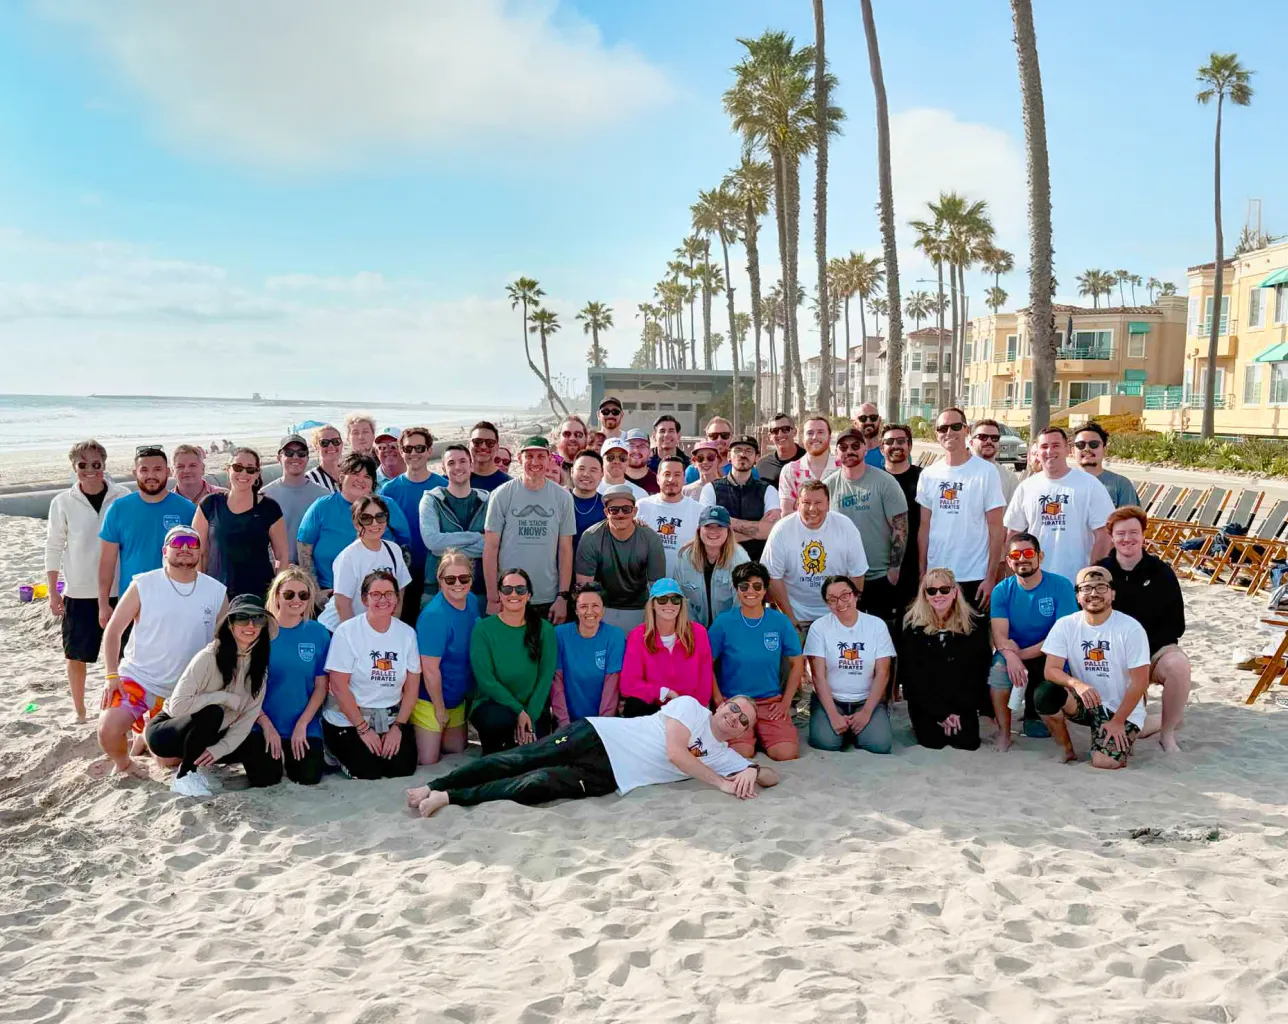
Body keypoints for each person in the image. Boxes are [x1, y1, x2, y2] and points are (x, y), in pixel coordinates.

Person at [405, 695, 776, 817]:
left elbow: (773, 777)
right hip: (598, 735)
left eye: (743, 719)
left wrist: (753, 770)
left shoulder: (725, 755)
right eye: (732, 707)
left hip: (610, 778)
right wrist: (723, 785)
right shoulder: (691, 708)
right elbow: (676, 754)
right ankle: (434, 784)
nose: (734, 716)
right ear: (720, 704)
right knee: (520, 760)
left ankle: (448, 797)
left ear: (744, 731)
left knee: (533, 787)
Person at [97, 526, 228, 776]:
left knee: (169, 761)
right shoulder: (144, 584)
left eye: (192, 543)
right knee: (108, 731)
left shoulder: (216, 591)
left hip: (184, 688)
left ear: (200, 551)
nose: (185, 548)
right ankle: (125, 763)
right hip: (138, 678)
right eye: (178, 543)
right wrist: (111, 675)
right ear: (165, 550)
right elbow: (113, 631)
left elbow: (223, 644)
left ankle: (146, 734)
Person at [143, 594, 274, 796]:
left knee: (267, 770)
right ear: (230, 623)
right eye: (242, 617)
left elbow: (247, 718)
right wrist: (223, 697)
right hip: (168, 729)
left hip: (210, 733)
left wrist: (218, 750)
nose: (250, 624)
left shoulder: (258, 667)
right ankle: (185, 774)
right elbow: (178, 706)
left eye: (257, 618)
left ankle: (201, 764)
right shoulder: (208, 657)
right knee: (213, 712)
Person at [46, 439, 129, 720]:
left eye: (97, 464)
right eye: (83, 465)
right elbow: (54, 546)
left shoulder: (122, 496)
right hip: (78, 591)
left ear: (105, 465)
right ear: (74, 467)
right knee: (76, 655)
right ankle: (80, 712)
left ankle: (121, 710)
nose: (90, 470)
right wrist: (53, 591)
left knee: (123, 656)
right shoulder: (62, 502)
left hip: (120, 588)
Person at [1037, 566, 1151, 768]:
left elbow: (1140, 682)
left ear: (1113, 593)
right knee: (1045, 694)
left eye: (1101, 587)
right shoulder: (1066, 625)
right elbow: (1051, 670)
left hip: (1121, 708)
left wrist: (1117, 722)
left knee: (1104, 762)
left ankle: (1148, 724)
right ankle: (1066, 749)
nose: (1093, 594)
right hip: (1087, 703)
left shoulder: (1130, 628)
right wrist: (1076, 684)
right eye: (1086, 589)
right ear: (1078, 596)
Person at [1098, 506, 1190, 752]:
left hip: (1153, 649)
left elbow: (1175, 624)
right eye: (1121, 534)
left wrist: (1143, 655)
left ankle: (1167, 734)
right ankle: (1156, 720)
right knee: (1129, 731)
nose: (1127, 539)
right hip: (1114, 655)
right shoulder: (1101, 571)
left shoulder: (1161, 572)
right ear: (1112, 537)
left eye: (1133, 532)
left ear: (1143, 536)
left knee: (1178, 665)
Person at [322, 568, 420, 778]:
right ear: (365, 599)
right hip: (350, 719)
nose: (382, 600)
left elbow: (412, 687)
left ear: (396, 598)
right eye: (375, 594)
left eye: (389, 594)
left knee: (402, 769)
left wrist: (398, 728)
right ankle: (333, 749)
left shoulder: (407, 634)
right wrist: (363, 729)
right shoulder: (347, 632)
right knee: (368, 771)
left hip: (390, 717)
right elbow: (338, 686)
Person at [987, 533, 1078, 750]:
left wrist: (1020, 656)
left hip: (1050, 656)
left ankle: (1036, 715)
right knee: (998, 667)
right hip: (1015, 655)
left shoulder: (1061, 586)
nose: (1022, 559)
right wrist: (1010, 656)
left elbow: (1062, 635)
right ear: (1008, 561)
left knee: (1039, 730)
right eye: (1015, 555)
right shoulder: (1002, 590)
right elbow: (999, 635)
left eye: (1028, 553)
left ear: (1040, 556)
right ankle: (1004, 732)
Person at [708, 562, 803, 761]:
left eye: (757, 586)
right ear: (737, 589)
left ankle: (762, 733)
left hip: (769, 701)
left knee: (786, 753)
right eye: (744, 586)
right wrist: (718, 699)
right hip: (735, 703)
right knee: (742, 753)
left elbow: (797, 663)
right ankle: (750, 736)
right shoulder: (724, 622)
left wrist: (786, 703)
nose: (750, 591)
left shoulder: (780, 621)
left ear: (765, 589)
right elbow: (706, 662)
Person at [97, 445, 197, 629]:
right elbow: (106, 561)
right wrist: (103, 604)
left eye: (158, 469)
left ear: (168, 471)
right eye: (144, 470)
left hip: (176, 600)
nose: (151, 475)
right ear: (135, 472)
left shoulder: (187, 509)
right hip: (133, 603)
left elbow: (199, 556)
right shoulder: (119, 509)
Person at [916, 407, 1005, 608]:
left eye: (956, 426)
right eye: (943, 428)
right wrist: (923, 573)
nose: (949, 432)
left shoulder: (986, 472)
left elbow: (996, 529)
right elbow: (924, 527)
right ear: (936, 433)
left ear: (966, 430)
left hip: (974, 575)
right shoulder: (929, 475)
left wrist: (991, 577)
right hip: (937, 578)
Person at [297, 452, 410, 610]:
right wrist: (316, 593)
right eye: (355, 473)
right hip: (331, 597)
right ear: (342, 478)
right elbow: (304, 551)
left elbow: (404, 548)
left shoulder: (387, 506)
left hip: (380, 599)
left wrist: (395, 589)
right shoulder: (322, 507)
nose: (360, 480)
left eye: (367, 476)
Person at [483, 436, 576, 622]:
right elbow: (490, 548)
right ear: (519, 458)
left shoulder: (563, 497)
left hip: (547, 597)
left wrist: (562, 597)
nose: (535, 462)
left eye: (541, 456)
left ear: (549, 458)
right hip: (509, 594)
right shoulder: (501, 495)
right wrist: (493, 597)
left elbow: (565, 550)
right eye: (529, 456)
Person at [898, 567, 991, 751]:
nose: (938, 595)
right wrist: (940, 714)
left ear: (955, 592)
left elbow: (978, 673)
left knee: (968, 743)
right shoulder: (912, 627)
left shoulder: (973, 625)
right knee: (933, 742)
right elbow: (912, 677)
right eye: (931, 591)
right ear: (924, 595)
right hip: (927, 702)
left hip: (961, 702)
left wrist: (957, 711)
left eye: (944, 589)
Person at [1004, 426, 1113, 583]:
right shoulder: (1027, 487)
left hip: (1076, 581)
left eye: (1056, 445)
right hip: (1035, 580)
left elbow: (1103, 534)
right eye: (1044, 446)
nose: (1049, 451)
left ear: (1067, 449)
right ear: (1037, 451)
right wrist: (1013, 579)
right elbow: (1013, 534)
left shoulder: (1089, 484)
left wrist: (1091, 576)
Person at [764, 479, 868, 644]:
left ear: (828, 504)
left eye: (818, 502)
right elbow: (773, 577)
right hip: (795, 614)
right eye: (806, 502)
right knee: (793, 668)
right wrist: (790, 619)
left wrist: (845, 613)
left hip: (835, 614)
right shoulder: (782, 530)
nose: (812, 508)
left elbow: (857, 574)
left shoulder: (845, 526)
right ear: (797, 504)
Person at [824, 427, 908, 629]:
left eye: (855, 446)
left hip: (879, 576)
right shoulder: (828, 486)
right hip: (843, 579)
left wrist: (894, 570)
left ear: (865, 448)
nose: (849, 451)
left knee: (883, 637)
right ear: (836, 452)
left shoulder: (885, 482)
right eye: (843, 447)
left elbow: (900, 528)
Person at [253, 568, 330, 786]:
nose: (296, 600)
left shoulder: (318, 633)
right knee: (265, 779)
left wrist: (303, 724)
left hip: (303, 723)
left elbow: (321, 686)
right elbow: (247, 688)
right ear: (276, 595)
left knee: (308, 777)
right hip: (263, 723)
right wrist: (266, 725)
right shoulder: (259, 632)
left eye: (303, 595)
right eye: (289, 594)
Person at [804, 575, 898, 754]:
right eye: (832, 599)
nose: (840, 603)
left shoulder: (876, 625)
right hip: (832, 700)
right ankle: (841, 727)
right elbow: (818, 676)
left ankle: (860, 726)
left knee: (879, 744)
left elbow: (883, 672)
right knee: (826, 742)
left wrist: (866, 712)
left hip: (865, 699)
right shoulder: (819, 628)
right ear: (827, 603)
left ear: (856, 596)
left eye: (845, 595)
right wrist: (832, 715)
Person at [470, 567, 557, 754]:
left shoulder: (545, 630)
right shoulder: (483, 629)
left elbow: (545, 677)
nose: (513, 594)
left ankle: (515, 742)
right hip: (495, 706)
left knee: (536, 752)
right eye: (507, 589)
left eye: (520, 589)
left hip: (533, 707)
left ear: (529, 595)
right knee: (499, 721)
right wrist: (518, 711)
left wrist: (529, 717)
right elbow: (486, 680)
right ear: (500, 594)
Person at [192, 447, 287, 600]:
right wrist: (199, 589)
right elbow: (197, 552)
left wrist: (277, 592)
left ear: (257, 474)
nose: (243, 473)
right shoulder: (210, 504)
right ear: (228, 470)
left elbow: (282, 556)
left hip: (259, 595)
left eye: (250, 469)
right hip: (216, 594)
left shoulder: (270, 508)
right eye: (237, 467)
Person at [413, 550, 480, 765]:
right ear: (440, 580)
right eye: (450, 579)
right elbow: (430, 670)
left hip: (457, 696)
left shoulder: (471, 601)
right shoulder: (434, 616)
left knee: (456, 749)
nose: (457, 584)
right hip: (430, 698)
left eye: (464, 578)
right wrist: (440, 709)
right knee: (429, 759)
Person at [575, 484, 667, 632]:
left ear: (634, 511)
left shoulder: (650, 538)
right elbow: (584, 589)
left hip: (640, 607)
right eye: (614, 509)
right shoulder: (591, 537)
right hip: (603, 607)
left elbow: (657, 587)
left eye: (626, 509)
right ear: (606, 512)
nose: (620, 514)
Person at [619, 578, 714, 717]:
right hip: (653, 711)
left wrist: (687, 710)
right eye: (662, 599)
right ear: (652, 604)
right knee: (635, 705)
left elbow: (705, 685)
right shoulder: (638, 635)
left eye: (675, 599)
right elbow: (628, 685)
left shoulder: (698, 633)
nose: (669, 604)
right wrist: (663, 692)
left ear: (681, 604)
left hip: (689, 712)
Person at [381, 427, 448, 619]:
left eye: (420, 448)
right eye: (408, 449)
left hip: (436, 573)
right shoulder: (389, 490)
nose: (414, 453)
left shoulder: (443, 487)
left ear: (429, 451)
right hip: (401, 575)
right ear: (401, 452)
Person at [319, 495, 412, 630]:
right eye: (366, 518)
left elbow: (400, 591)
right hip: (336, 629)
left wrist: (390, 627)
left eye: (380, 516)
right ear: (356, 523)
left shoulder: (394, 549)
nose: (375, 523)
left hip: (372, 628)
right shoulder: (348, 557)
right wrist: (355, 638)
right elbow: (342, 604)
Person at [420, 443, 489, 609]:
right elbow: (433, 542)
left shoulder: (488, 501)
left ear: (471, 465)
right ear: (444, 469)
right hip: (437, 590)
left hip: (479, 589)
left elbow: (494, 545)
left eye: (463, 461)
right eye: (451, 463)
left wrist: (445, 546)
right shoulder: (431, 500)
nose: (457, 467)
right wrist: (477, 537)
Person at [552, 583, 626, 727]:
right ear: (576, 610)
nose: (590, 611)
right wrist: (564, 725)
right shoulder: (560, 634)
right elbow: (556, 683)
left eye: (595, 606)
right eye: (584, 606)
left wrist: (602, 727)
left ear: (603, 609)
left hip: (602, 723)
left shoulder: (614, 635)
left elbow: (612, 685)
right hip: (568, 722)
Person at [699, 435, 780, 560]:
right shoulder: (711, 489)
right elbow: (710, 531)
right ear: (729, 457)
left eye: (749, 451)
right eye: (738, 450)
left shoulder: (768, 490)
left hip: (757, 563)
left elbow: (772, 531)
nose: (743, 454)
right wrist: (758, 529)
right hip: (721, 561)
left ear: (756, 458)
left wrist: (724, 521)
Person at [673, 505, 751, 627]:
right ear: (699, 530)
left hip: (730, 629)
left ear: (728, 531)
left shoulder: (741, 560)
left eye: (720, 526)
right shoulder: (684, 558)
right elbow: (680, 600)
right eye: (708, 526)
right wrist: (696, 633)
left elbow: (742, 606)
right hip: (693, 629)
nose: (713, 531)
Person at [261, 434, 327, 564]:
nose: (295, 457)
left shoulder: (323, 496)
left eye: (301, 453)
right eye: (289, 453)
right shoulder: (264, 495)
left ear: (307, 458)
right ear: (279, 457)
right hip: (276, 572)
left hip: (311, 571)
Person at [636, 457, 706, 577]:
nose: (671, 479)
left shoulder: (699, 511)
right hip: (647, 585)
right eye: (666, 474)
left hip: (685, 585)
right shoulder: (642, 506)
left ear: (684, 479)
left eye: (677, 474)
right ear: (658, 478)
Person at [881, 423, 922, 616]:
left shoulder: (924, 479)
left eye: (901, 441)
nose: (895, 445)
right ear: (882, 449)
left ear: (910, 446)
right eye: (889, 442)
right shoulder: (874, 480)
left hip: (916, 562)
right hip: (880, 566)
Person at [779, 415, 836, 515]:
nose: (815, 437)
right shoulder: (790, 471)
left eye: (820, 432)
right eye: (810, 433)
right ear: (802, 438)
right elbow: (787, 514)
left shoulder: (842, 468)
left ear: (829, 436)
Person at [1074, 422, 1140, 508]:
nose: (1087, 448)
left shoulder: (1121, 485)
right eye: (1080, 445)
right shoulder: (1062, 483)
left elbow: (1130, 520)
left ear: (1104, 450)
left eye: (1094, 444)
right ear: (1072, 451)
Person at [970, 418, 1018, 505]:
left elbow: (1013, 514)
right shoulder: (961, 473)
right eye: (983, 437)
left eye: (994, 438)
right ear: (971, 442)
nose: (989, 441)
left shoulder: (1010, 478)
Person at [756, 412, 807, 489]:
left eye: (785, 429)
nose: (780, 434)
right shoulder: (762, 465)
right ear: (770, 436)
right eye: (775, 431)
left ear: (794, 432)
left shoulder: (808, 460)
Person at [570, 450, 606, 553]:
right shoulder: (561, 501)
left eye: (593, 470)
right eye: (581, 469)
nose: (586, 474)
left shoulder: (608, 506)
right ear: (572, 472)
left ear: (602, 474)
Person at [684, 416, 735, 484]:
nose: (719, 439)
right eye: (713, 436)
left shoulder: (741, 468)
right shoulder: (693, 471)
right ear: (707, 438)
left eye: (724, 435)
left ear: (731, 437)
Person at [469, 420, 510, 492]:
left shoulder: (509, 485)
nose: (483, 446)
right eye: (477, 442)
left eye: (490, 443)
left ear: (497, 447)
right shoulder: (452, 480)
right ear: (469, 444)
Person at [306, 424, 344, 493]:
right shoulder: (309, 479)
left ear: (342, 444)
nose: (331, 446)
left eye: (336, 441)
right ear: (316, 446)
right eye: (324, 443)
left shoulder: (351, 472)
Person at [622, 428, 660, 494]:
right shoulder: (616, 480)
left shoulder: (659, 483)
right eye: (631, 445)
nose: (636, 450)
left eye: (642, 446)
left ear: (650, 452)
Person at [853, 402, 888, 469]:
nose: (868, 422)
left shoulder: (892, 450)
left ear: (879, 420)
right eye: (863, 418)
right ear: (855, 423)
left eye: (873, 417)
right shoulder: (849, 453)